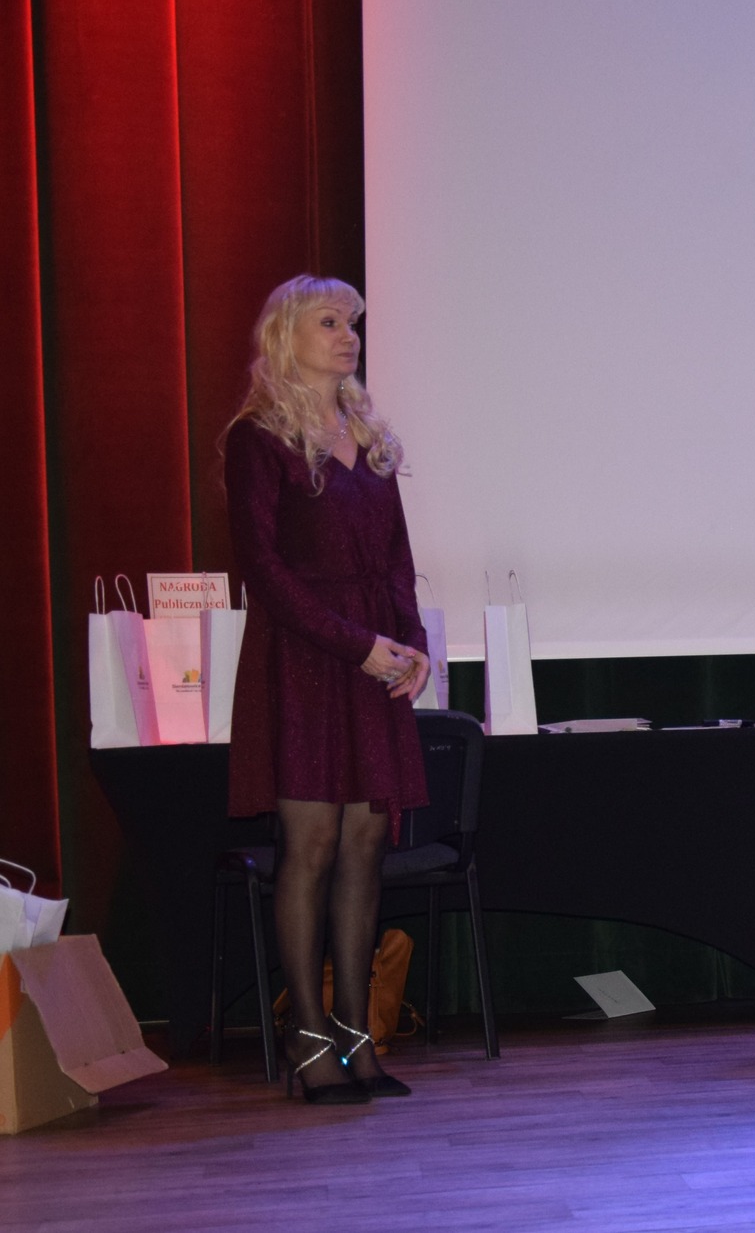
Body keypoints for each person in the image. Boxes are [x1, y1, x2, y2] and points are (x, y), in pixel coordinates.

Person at [223, 275, 432, 1103]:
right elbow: (265, 571)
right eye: (330, 321)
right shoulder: (258, 439)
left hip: (373, 661)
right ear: (286, 336)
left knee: (365, 851)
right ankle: (308, 1042)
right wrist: (359, 647)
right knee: (308, 850)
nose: (349, 335)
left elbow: (397, 560)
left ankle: (358, 1038)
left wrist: (411, 645)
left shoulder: (370, 438)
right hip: (307, 662)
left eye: (353, 323)